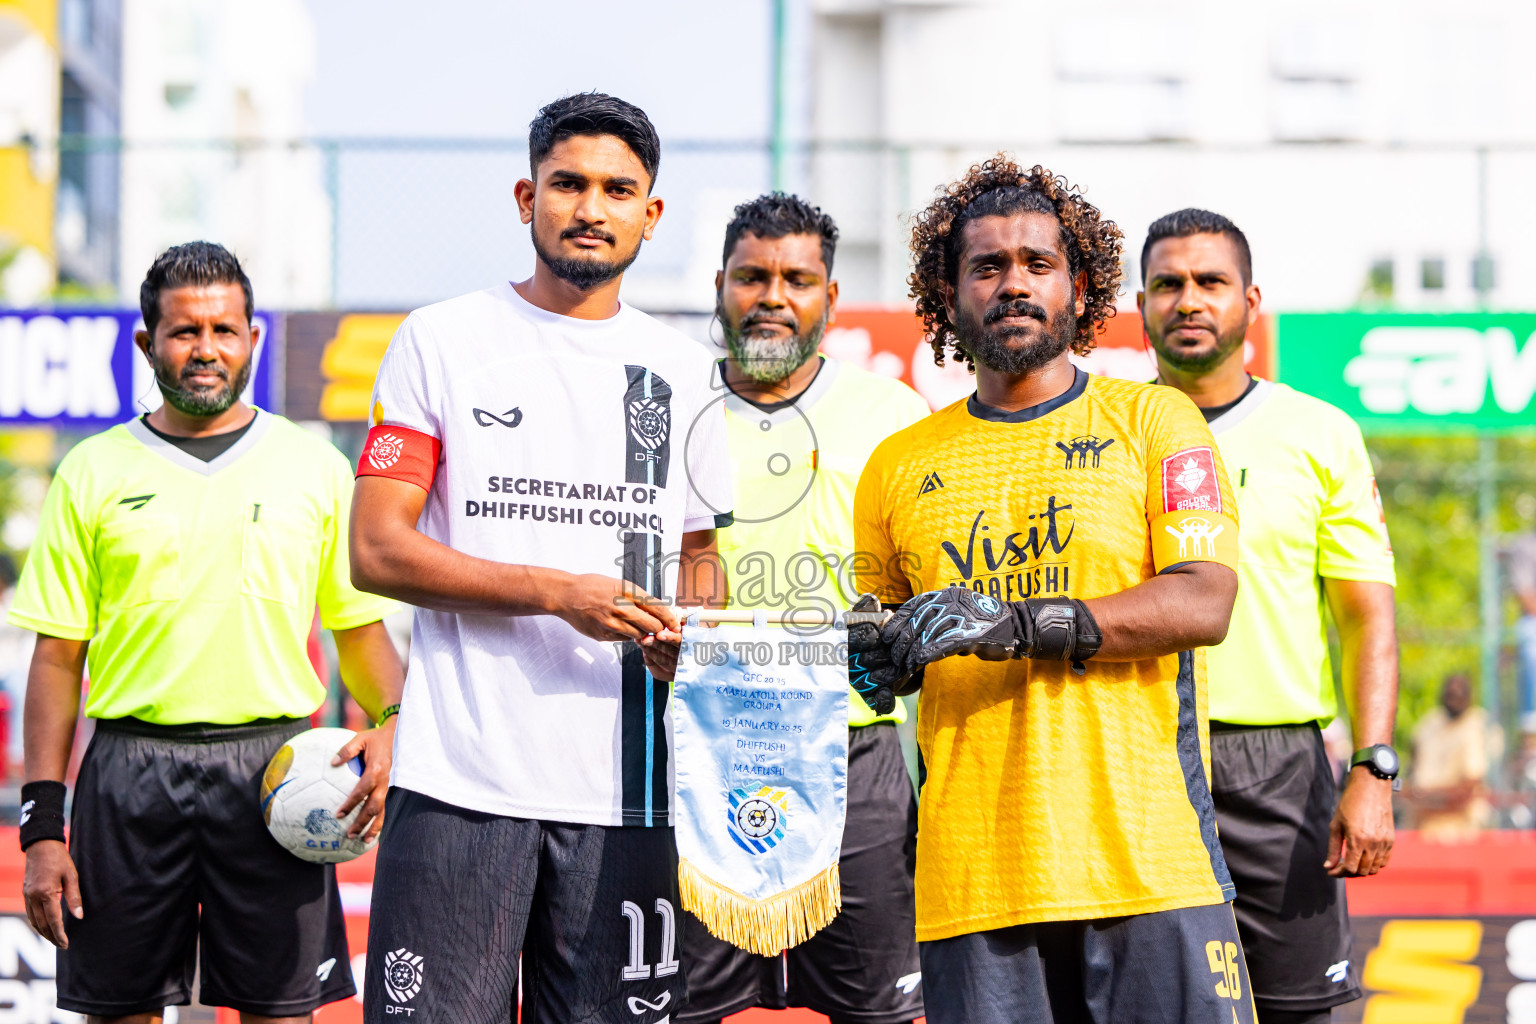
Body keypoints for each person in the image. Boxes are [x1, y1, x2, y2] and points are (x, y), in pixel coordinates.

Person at [348, 92, 732, 1024]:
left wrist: (701, 643)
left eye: (616, 188)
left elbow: (698, 556)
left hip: (628, 795)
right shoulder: (439, 341)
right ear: (527, 198)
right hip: (458, 782)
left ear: (652, 213)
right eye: (568, 183)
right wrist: (556, 592)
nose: (590, 208)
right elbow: (376, 548)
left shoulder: (686, 373)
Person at [850, 157, 1253, 1024]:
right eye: (986, 266)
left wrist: (1009, 622)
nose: (1013, 283)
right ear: (948, 294)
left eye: (1038, 263)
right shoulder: (896, 466)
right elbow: (879, 650)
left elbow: (1202, 603)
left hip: (1150, 866)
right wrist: (873, 653)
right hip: (975, 885)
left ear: (1080, 285)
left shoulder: (1157, 421)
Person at [8, 241, 403, 1022]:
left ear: (254, 339)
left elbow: (358, 631)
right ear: (147, 343)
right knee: (120, 1011)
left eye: (224, 331)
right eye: (185, 333)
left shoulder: (315, 465)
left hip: (277, 773)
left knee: (277, 1011)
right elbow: (57, 660)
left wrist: (397, 722)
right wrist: (43, 830)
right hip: (128, 772)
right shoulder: (91, 471)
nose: (206, 350)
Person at [1140, 209, 1399, 1024]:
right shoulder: (1104, 432)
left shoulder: (1319, 433)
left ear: (1250, 300)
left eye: (1210, 282)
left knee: (1303, 1012)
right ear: (1140, 304)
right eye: (1168, 284)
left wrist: (1374, 767)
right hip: (1134, 757)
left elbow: (1367, 616)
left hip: (1278, 764)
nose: (1189, 300)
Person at [676, 193, 930, 1024]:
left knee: (880, 1011)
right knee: (679, 1008)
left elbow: (920, 585)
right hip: (704, 755)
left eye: (797, 279)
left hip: (854, 751)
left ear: (831, 296)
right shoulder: (671, 406)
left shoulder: (892, 416)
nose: (772, 296)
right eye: (752, 276)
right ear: (720, 285)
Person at [1405, 673, 1500, 841]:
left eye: (1458, 694)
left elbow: (1468, 788)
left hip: (1463, 832)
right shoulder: (1429, 724)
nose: (1453, 699)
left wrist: (1423, 797)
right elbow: (1411, 770)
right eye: (1449, 694)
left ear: (1469, 696)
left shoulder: (1478, 725)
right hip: (1423, 829)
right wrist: (1416, 796)